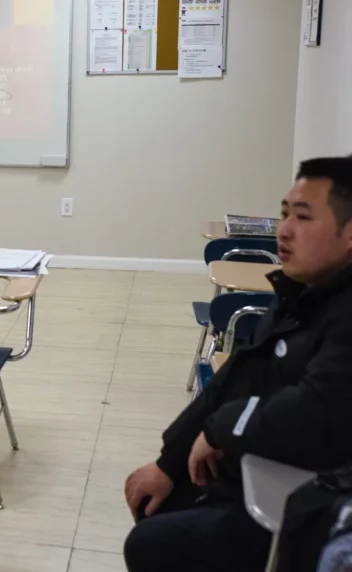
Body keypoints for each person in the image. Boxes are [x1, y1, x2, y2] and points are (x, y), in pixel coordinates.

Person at [124, 156, 352, 572]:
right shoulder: (299, 292)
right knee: (154, 502)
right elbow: (234, 376)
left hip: (305, 502)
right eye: (284, 214)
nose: (283, 230)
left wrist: (221, 428)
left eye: (302, 217)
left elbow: (315, 411)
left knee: (153, 543)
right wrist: (169, 460)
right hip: (251, 467)